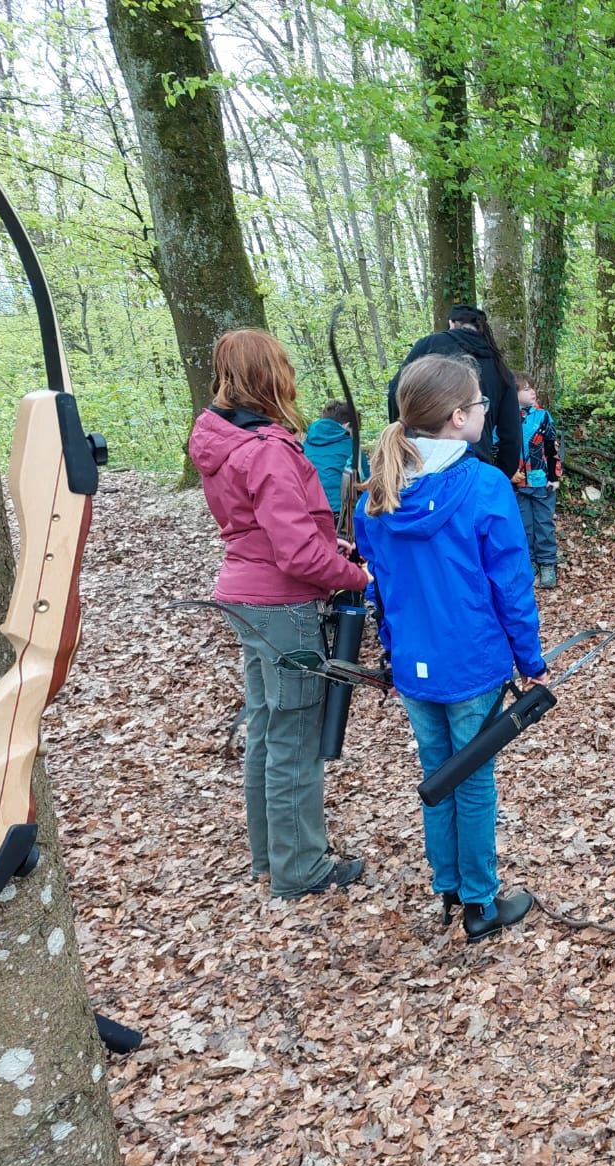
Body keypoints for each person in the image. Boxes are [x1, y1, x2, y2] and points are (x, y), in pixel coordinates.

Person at [354, 354, 548, 943]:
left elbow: (381, 589)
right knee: (471, 780)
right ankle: (478, 902)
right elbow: (511, 585)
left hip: (417, 663)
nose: (487, 412)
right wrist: (531, 662)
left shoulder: (380, 491)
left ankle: (450, 888)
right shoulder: (483, 485)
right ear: (459, 417)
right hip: (471, 662)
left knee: (439, 773)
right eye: (481, 404)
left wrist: (393, 649)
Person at [188, 329, 368, 898]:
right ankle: (300, 868)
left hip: (248, 596)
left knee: (269, 725)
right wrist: (356, 576)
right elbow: (294, 553)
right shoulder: (265, 448)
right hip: (279, 603)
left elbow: (266, 528)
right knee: (293, 731)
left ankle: (270, 857)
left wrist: (328, 545)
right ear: (270, 376)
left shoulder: (224, 438)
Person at [387, 304, 522, 481]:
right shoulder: (498, 364)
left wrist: (403, 431)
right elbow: (511, 433)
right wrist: (501, 474)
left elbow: (395, 390)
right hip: (476, 467)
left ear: (451, 323)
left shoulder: (430, 345)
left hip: (422, 461)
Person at [513, 373, 562, 589]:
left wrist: (554, 476)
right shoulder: (506, 419)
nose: (532, 392)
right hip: (518, 484)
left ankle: (547, 563)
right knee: (524, 525)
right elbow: (497, 448)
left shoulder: (543, 416)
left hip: (542, 482)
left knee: (544, 524)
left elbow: (551, 447)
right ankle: (529, 562)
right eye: (526, 389)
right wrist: (508, 473)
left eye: (532, 388)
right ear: (513, 394)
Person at [302, 399, 369, 519]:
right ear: (347, 425)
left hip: (307, 512)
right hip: (340, 515)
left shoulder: (303, 444)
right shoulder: (353, 447)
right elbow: (367, 484)